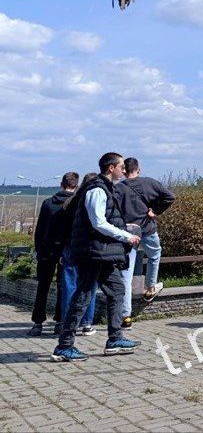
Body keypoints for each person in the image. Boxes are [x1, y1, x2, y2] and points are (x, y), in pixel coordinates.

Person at [52, 153, 140, 362]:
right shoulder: (97, 190)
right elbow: (98, 222)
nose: (124, 171)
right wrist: (127, 236)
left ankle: (115, 338)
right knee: (83, 295)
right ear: (111, 168)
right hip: (93, 252)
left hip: (103, 252)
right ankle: (64, 345)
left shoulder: (106, 188)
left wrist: (123, 229)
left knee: (117, 290)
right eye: (121, 167)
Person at [114, 157, 175, 329]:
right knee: (155, 254)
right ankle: (150, 287)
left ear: (124, 171)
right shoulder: (150, 183)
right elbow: (170, 196)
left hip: (127, 233)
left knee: (126, 274)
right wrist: (155, 210)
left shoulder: (118, 188)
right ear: (138, 169)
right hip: (147, 229)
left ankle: (126, 316)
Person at [28, 172, 79, 336]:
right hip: (66, 251)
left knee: (42, 287)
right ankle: (59, 321)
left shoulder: (48, 203)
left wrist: (39, 250)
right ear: (76, 186)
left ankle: (37, 323)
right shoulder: (75, 205)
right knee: (63, 287)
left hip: (47, 251)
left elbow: (40, 230)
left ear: (61, 184)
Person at [56, 174, 99, 337]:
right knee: (89, 286)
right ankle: (87, 323)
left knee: (69, 286)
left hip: (69, 247)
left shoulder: (70, 203)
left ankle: (66, 323)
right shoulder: (91, 203)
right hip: (88, 248)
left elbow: (62, 229)